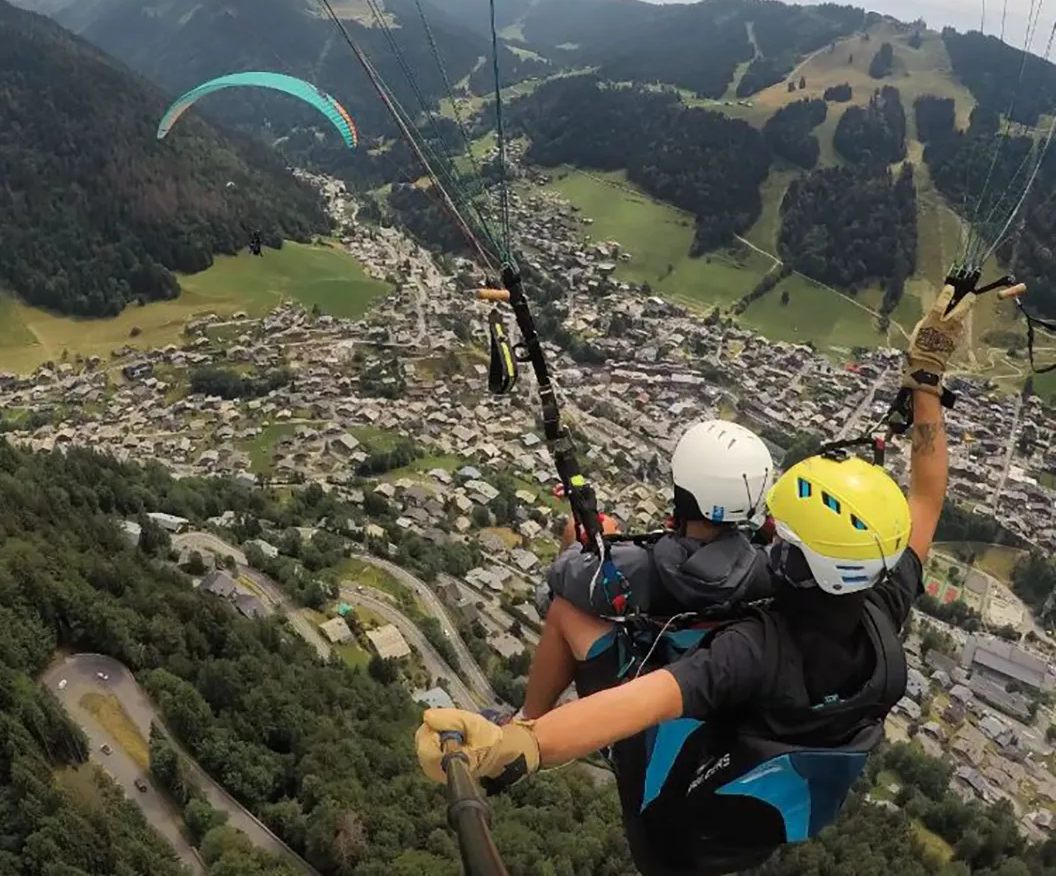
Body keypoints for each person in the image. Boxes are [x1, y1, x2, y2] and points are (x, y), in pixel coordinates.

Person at [416, 283, 971, 875]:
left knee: (570, 617)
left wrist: (520, 745)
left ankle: (525, 715)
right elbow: (927, 500)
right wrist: (926, 383)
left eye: (781, 535)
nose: (770, 537)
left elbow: (635, 705)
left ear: (797, 561)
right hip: (745, 834)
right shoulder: (881, 606)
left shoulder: (755, 651)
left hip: (669, 834)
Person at [515, 419, 777, 725]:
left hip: (645, 677)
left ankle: (525, 722)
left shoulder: (644, 568)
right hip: (703, 673)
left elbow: (563, 575)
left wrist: (596, 535)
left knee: (563, 608)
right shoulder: (765, 565)